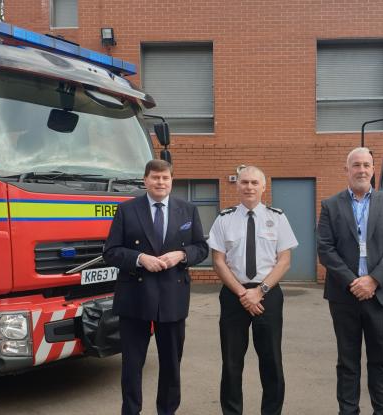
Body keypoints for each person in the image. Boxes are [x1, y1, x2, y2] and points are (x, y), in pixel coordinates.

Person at [103, 159, 209, 415]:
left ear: (172, 181)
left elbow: (201, 248)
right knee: (132, 364)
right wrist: (140, 259)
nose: (160, 182)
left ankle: (167, 411)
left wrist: (181, 255)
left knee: (171, 364)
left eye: (165, 178)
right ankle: (130, 411)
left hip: (172, 298)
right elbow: (111, 252)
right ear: (145, 180)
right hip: (135, 298)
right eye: (155, 177)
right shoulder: (127, 210)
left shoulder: (187, 210)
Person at [316, 147, 383, 415]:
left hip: (381, 296)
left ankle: (382, 411)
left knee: (381, 361)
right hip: (345, 297)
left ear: (372, 169)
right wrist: (353, 282)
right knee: (347, 362)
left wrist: (373, 280)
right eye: (356, 165)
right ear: (347, 170)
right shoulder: (330, 205)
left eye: (367, 165)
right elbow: (325, 249)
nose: (362, 170)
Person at [206, 166, 298, 415]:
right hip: (234, 294)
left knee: (271, 361)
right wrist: (242, 293)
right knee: (232, 362)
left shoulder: (277, 217)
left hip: (268, 293)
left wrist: (260, 290)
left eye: (254, 183)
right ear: (237, 185)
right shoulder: (224, 218)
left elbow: (284, 261)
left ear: (263, 187)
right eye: (244, 182)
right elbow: (218, 261)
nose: (249, 187)